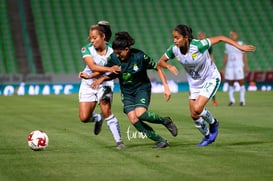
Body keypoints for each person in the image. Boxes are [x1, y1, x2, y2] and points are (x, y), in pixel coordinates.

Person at [158, 24, 255, 146]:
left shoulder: (199, 45)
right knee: (194, 115)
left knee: (198, 108)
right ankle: (208, 136)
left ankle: (214, 123)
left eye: (177, 38)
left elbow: (220, 38)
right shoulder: (174, 49)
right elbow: (160, 61)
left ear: (186, 37)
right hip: (194, 83)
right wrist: (168, 66)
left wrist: (239, 47)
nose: (174, 40)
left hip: (210, 78)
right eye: (174, 38)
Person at [92, 32, 178, 148]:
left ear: (127, 49)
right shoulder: (113, 58)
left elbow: (157, 67)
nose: (117, 55)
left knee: (140, 114)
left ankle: (165, 121)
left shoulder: (140, 56)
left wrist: (166, 87)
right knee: (133, 119)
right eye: (115, 53)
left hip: (142, 88)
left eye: (119, 53)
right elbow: (114, 73)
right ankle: (160, 141)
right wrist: (102, 78)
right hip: (127, 93)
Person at [78, 24, 125, 149]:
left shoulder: (112, 50)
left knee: (106, 109)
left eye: (94, 38)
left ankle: (119, 141)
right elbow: (93, 67)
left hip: (105, 82)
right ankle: (98, 118)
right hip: (88, 84)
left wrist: (109, 71)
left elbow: (117, 68)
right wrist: (109, 68)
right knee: (84, 117)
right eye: (90, 38)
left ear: (103, 36)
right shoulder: (86, 49)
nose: (92, 41)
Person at [221, 31, 249, 106]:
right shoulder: (227, 44)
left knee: (241, 82)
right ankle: (232, 100)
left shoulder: (240, 43)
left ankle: (242, 101)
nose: (232, 36)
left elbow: (244, 55)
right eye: (231, 35)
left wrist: (246, 65)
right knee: (230, 82)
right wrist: (223, 67)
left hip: (238, 65)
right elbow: (226, 56)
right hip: (229, 66)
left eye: (233, 35)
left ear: (236, 35)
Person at [198, 31, 218, 106]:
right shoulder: (197, 46)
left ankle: (214, 100)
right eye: (200, 36)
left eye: (202, 35)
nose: (201, 37)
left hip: (207, 67)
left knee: (210, 83)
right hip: (200, 67)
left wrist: (212, 64)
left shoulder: (208, 45)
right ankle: (199, 99)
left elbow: (211, 55)